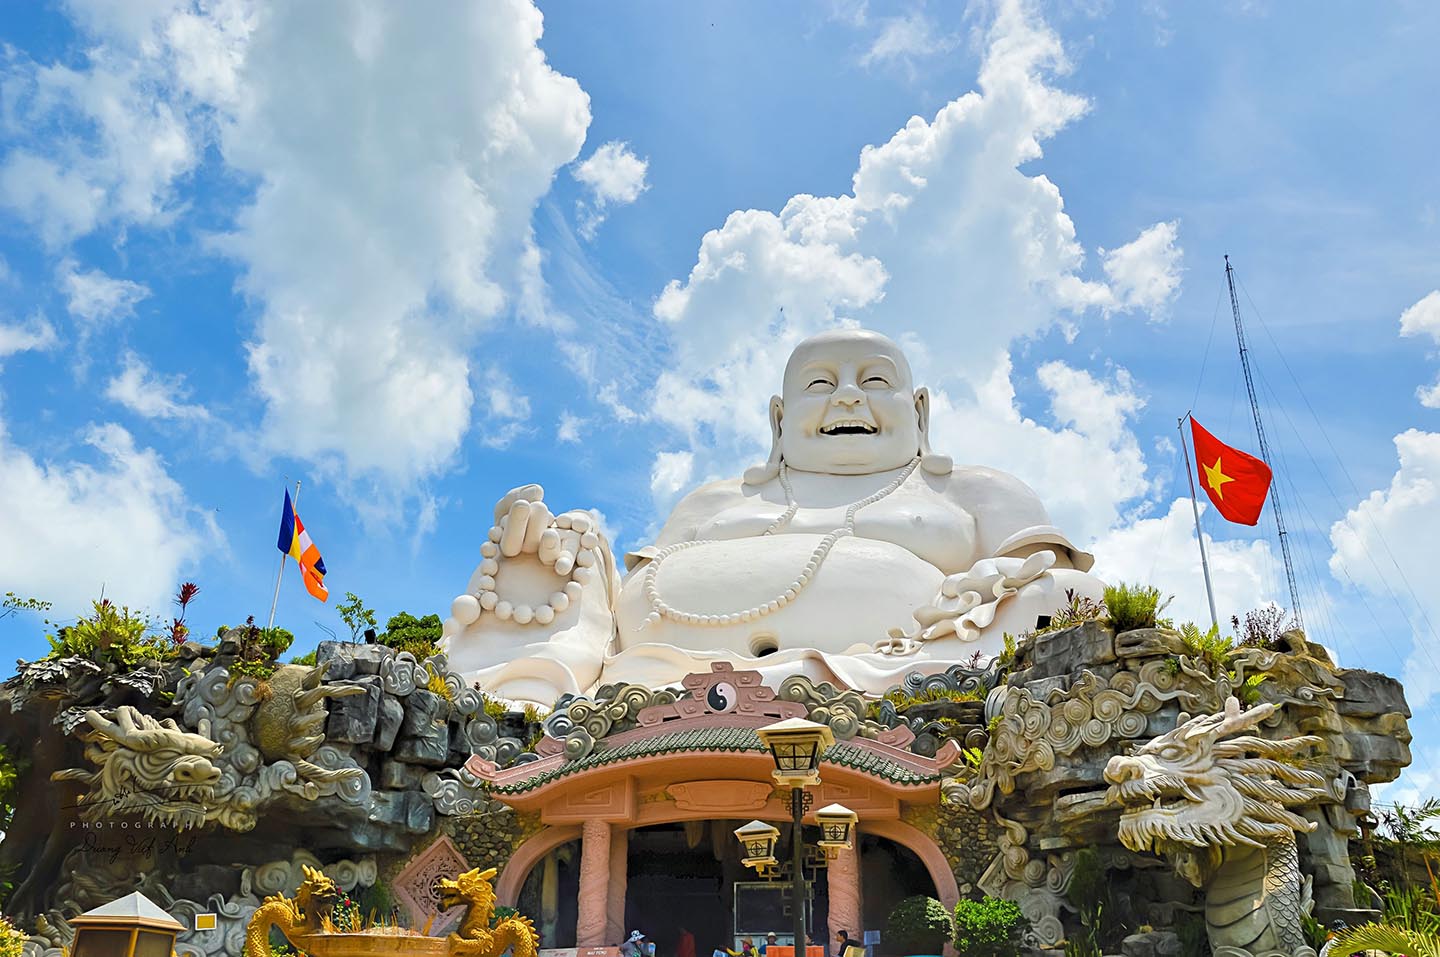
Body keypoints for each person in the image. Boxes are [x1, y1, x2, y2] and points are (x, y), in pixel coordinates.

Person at [447, 328, 1105, 702]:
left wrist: (987, 582)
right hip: (651, 684)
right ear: (779, 418)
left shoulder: (977, 491)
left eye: (874, 381)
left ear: (921, 410)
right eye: (820, 383)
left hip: (895, 677)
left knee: (1070, 594)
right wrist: (562, 565)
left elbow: (1063, 593)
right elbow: (614, 620)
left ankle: (788, 679)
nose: (848, 396)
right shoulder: (711, 501)